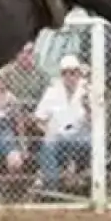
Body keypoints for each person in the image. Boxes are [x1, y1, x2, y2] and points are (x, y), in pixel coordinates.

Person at [34, 54, 90, 189]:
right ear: (61, 75)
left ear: (78, 73)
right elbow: (38, 119)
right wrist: (49, 132)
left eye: (73, 72)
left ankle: (75, 176)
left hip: (81, 137)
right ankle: (51, 184)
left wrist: (88, 108)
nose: (69, 77)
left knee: (87, 143)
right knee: (48, 146)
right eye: (65, 73)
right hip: (58, 138)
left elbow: (95, 120)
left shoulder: (88, 91)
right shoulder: (52, 92)